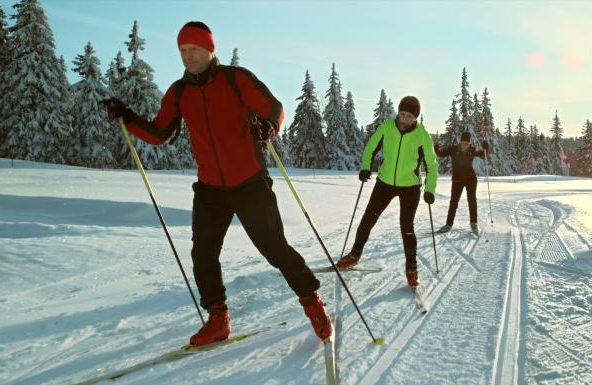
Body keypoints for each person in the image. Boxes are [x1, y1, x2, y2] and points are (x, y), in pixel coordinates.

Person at [102, 21, 332, 346]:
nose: (187, 56)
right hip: (210, 187)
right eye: (182, 51)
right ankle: (218, 319)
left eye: (193, 49)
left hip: (250, 182)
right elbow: (160, 133)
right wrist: (128, 117)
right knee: (204, 254)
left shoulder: (236, 79)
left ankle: (313, 305)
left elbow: (274, 109)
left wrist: (268, 126)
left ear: (210, 49)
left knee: (274, 249)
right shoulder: (179, 92)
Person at [336, 96, 438, 287]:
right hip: (385, 183)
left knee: (406, 227)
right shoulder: (386, 127)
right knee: (368, 219)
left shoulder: (422, 135)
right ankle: (354, 255)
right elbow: (370, 149)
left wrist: (430, 189)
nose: (404, 119)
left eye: (409, 116)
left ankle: (411, 269)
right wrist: (366, 167)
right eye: (402, 114)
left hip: (410, 187)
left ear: (415, 117)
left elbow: (432, 165)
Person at [434, 131, 489, 235]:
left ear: (470, 143)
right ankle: (448, 224)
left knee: (472, 201)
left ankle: (474, 224)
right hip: (457, 180)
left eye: (467, 143)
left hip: (471, 179)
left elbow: (483, 155)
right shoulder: (453, 149)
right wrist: (436, 149)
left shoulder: (472, 150)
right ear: (460, 142)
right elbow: (441, 153)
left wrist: (486, 148)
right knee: (453, 202)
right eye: (463, 143)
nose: (465, 145)